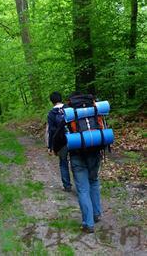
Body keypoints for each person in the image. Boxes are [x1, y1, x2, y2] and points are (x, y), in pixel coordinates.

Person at [54, 92, 102, 233]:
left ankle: (88, 224)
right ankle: (97, 214)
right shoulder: (94, 110)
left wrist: (57, 150)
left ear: (71, 101)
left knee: (82, 189)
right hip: (95, 152)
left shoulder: (70, 113)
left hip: (77, 155)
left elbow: (58, 134)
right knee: (94, 181)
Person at [47, 91, 72, 192]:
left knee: (63, 162)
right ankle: (80, 184)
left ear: (52, 101)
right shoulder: (69, 108)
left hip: (61, 142)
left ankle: (67, 185)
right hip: (74, 139)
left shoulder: (51, 114)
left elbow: (51, 131)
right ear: (61, 98)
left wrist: (50, 146)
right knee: (75, 161)